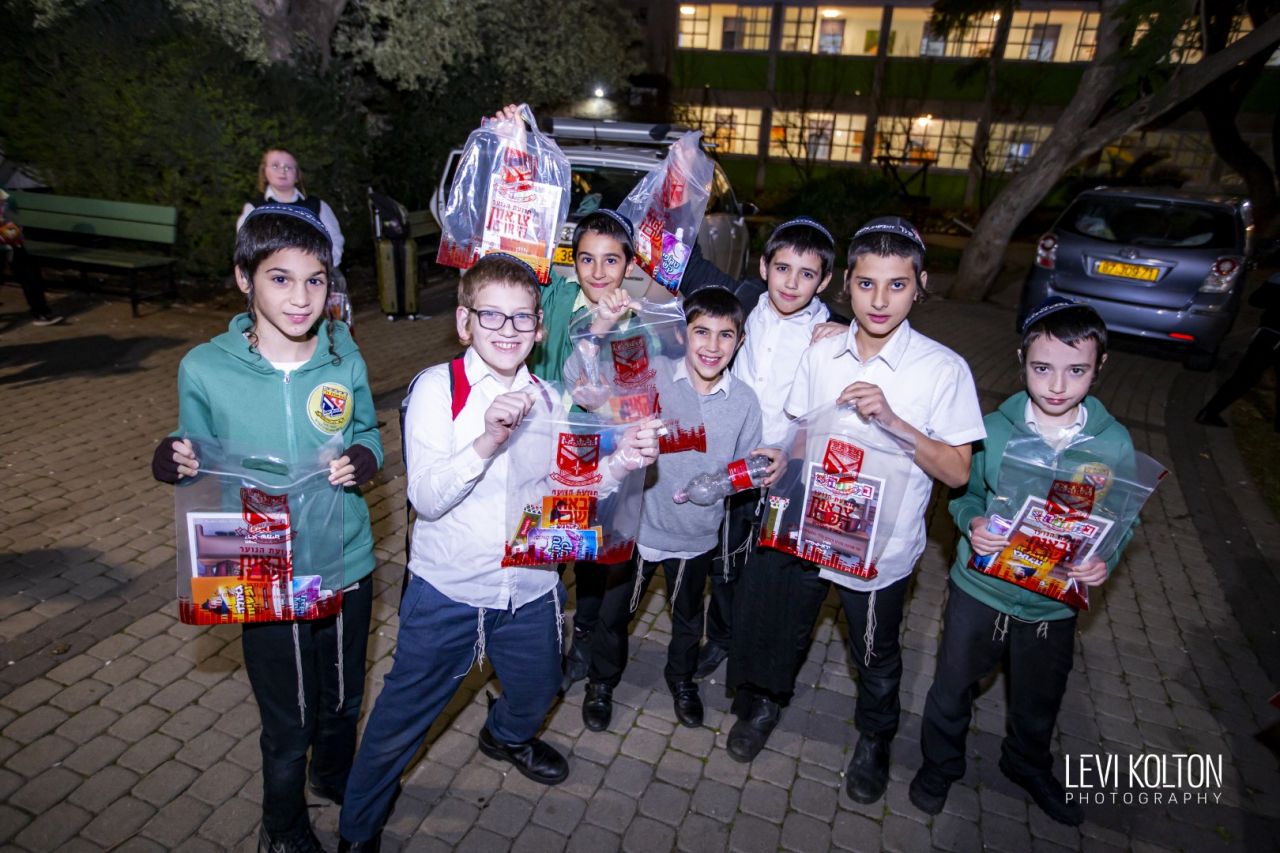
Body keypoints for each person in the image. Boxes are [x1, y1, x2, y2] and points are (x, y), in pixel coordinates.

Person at [336, 253, 662, 852]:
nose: (508, 330)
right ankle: (357, 829)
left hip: (529, 590)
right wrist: (487, 440)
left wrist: (621, 462)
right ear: (464, 322)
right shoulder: (438, 388)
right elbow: (426, 498)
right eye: (492, 315)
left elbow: (565, 493)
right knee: (398, 723)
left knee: (539, 692)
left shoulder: (550, 399)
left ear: (540, 329)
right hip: (449, 592)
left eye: (522, 318)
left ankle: (504, 735)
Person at [727, 217, 985, 812]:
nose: (880, 300)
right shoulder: (823, 351)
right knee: (787, 626)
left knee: (873, 651)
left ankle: (874, 738)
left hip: (879, 548)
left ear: (921, 285)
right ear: (847, 284)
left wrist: (892, 420)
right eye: (867, 284)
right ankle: (766, 704)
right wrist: (782, 455)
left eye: (897, 285)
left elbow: (957, 472)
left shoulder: (943, 369)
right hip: (809, 527)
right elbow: (801, 431)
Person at [151, 202, 383, 853]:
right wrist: (174, 459)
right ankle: (281, 826)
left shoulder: (343, 356)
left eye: (315, 280)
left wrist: (365, 456)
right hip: (260, 563)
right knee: (290, 720)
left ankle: (333, 776)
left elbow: (365, 430)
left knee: (343, 698)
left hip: (344, 556)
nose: (301, 297)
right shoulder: (205, 367)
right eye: (280, 278)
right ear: (243, 278)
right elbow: (195, 452)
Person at [911, 296, 1136, 826]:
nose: (1057, 385)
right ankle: (940, 763)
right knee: (952, 686)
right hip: (981, 589)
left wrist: (1102, 559)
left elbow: (1122, 518)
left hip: (1052, 604)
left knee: (1039, 697)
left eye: (1076, 370)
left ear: (1099, 367)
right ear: (1021, 361)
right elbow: (963, 493)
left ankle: (1026, 763)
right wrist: (972, 522)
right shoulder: (992, 428)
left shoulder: (1114, 445)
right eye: (1042, 368)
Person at [579, 286, 763, 731]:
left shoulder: (744, 402)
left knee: (687, 619)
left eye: (725, 335)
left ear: (739, 341)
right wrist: (600, 328)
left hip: (696, 533)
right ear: (683, 333)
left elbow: (747, 466)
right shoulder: (654, 375)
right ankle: (601, 682)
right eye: (702, 332)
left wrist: (724, 483)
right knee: (614, 613)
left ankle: (682, 679)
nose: (712, 345)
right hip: (639, 527)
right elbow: (588, 389)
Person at [682, 217, 846, 680]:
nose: (791, 283)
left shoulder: (835, 331)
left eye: (807, 274)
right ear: (763, 267)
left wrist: (850, 332)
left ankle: (757, 653)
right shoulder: (744, 302)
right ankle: (721, 637)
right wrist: (679, 191)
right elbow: (683, 260)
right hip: (734, 463)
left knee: (773, 568)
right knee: (724, 561)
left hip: (792, 471)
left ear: (825, 281)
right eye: (782, 268)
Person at [1195, 273, 1280, 432]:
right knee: (1246, 377)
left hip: (1267, 333)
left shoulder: (1277, 278)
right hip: (1272, 335)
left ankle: (1209, 412)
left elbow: (1256, 300)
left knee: (1244, 377)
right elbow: (1256, 300)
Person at [0, 189, 63, 325]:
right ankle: (41, 312)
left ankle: (41, 312)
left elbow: (9, 210)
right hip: (8, 233)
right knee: (27, 273)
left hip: (8, 234)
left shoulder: (5, 198)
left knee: (27, 273)